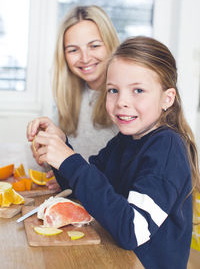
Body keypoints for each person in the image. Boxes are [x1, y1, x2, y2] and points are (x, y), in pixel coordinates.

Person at [27, 36, 200, 268]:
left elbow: (133, 230)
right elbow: (85, 186)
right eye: (113, 90)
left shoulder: (166, 149)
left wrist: (70, 161)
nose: (122, 102)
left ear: (167, 99)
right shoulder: (126, 139)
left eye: (138, 90)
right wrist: (61, 146)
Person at [27, 5, 119, 189]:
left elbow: (125, 174)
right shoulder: (69, 97)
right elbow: (58, 168)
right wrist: (47, 149)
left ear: (111, 45)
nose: (85, 58)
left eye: (94, 46)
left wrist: (73, 176)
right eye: (73, 50)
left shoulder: (127, 101)